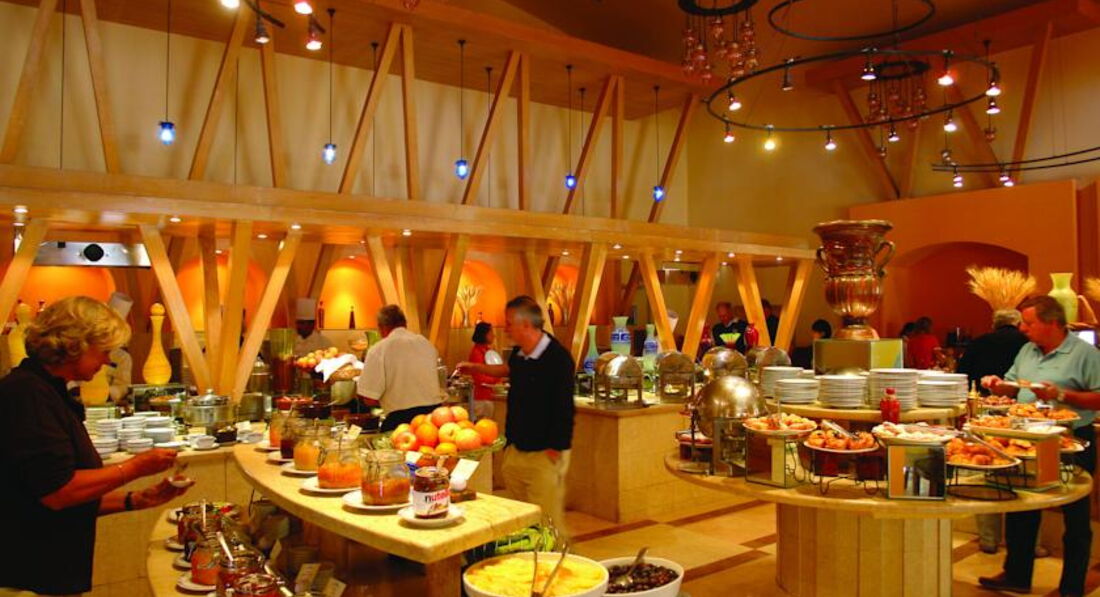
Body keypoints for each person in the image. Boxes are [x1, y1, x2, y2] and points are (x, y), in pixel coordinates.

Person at [0, 296, 190, 596]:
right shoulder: (27, 394)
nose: (107, 361)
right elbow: (58, 492)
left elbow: (55, 491)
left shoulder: (48, 391)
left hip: (49, 571)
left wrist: (137, 499)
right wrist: (136, 467)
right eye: (104, 351)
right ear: (75, 345)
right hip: (27, 576)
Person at [979, 296, 1100, 597]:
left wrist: (1061, 394)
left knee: (1075, 515)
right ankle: (1017, 575)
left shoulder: (1085, 354)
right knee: (1022, 508)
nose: (1022, 328)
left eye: (1029, 323)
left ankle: (1071, 586)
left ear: (1053, 323)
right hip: (1026, 439)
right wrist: (998, 385)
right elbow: (1013, 384)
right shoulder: (1027, 350)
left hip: (1069, 439)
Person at [458, 296, 575, 532]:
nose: (506, 329)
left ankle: (554, 555)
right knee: (523, 519)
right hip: (516, 449)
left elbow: (564, 408)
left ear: (526, 324)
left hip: (543, 453)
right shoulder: (520, 353)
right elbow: (507, 370)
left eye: (509, 323)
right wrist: (476, 367)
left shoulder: (558, 358)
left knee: (547, 522)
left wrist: (554, 450)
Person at [958, 309, 1029, 554]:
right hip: (1021, 417)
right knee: (1022, 480)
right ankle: (1025, 543)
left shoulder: (979, 342)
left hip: (984, 413)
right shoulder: (1028, 345)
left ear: (994, 324)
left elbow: (961, 375)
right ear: (1018, 324)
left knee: (986, 475)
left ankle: (988, 539)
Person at [356, 305, 441, 432]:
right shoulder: (426, 344)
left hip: (400, 422)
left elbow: (369, 399)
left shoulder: (379, 349)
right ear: (405, 324)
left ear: (381, 328)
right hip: (433, 419)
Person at [71, 292, 133, 403]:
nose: (106, 360)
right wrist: (75, 389)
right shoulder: (80, 351)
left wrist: (107, 392)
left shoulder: (123, 357)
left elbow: (123, 386)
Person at [467, 322, 503, 420]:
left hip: (487, 396)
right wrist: (496, 378)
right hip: (481, 398)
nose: (494, 335)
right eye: (491, 332)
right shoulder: (477, 353)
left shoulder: (486, 351)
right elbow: (480, 378)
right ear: (484, 334)